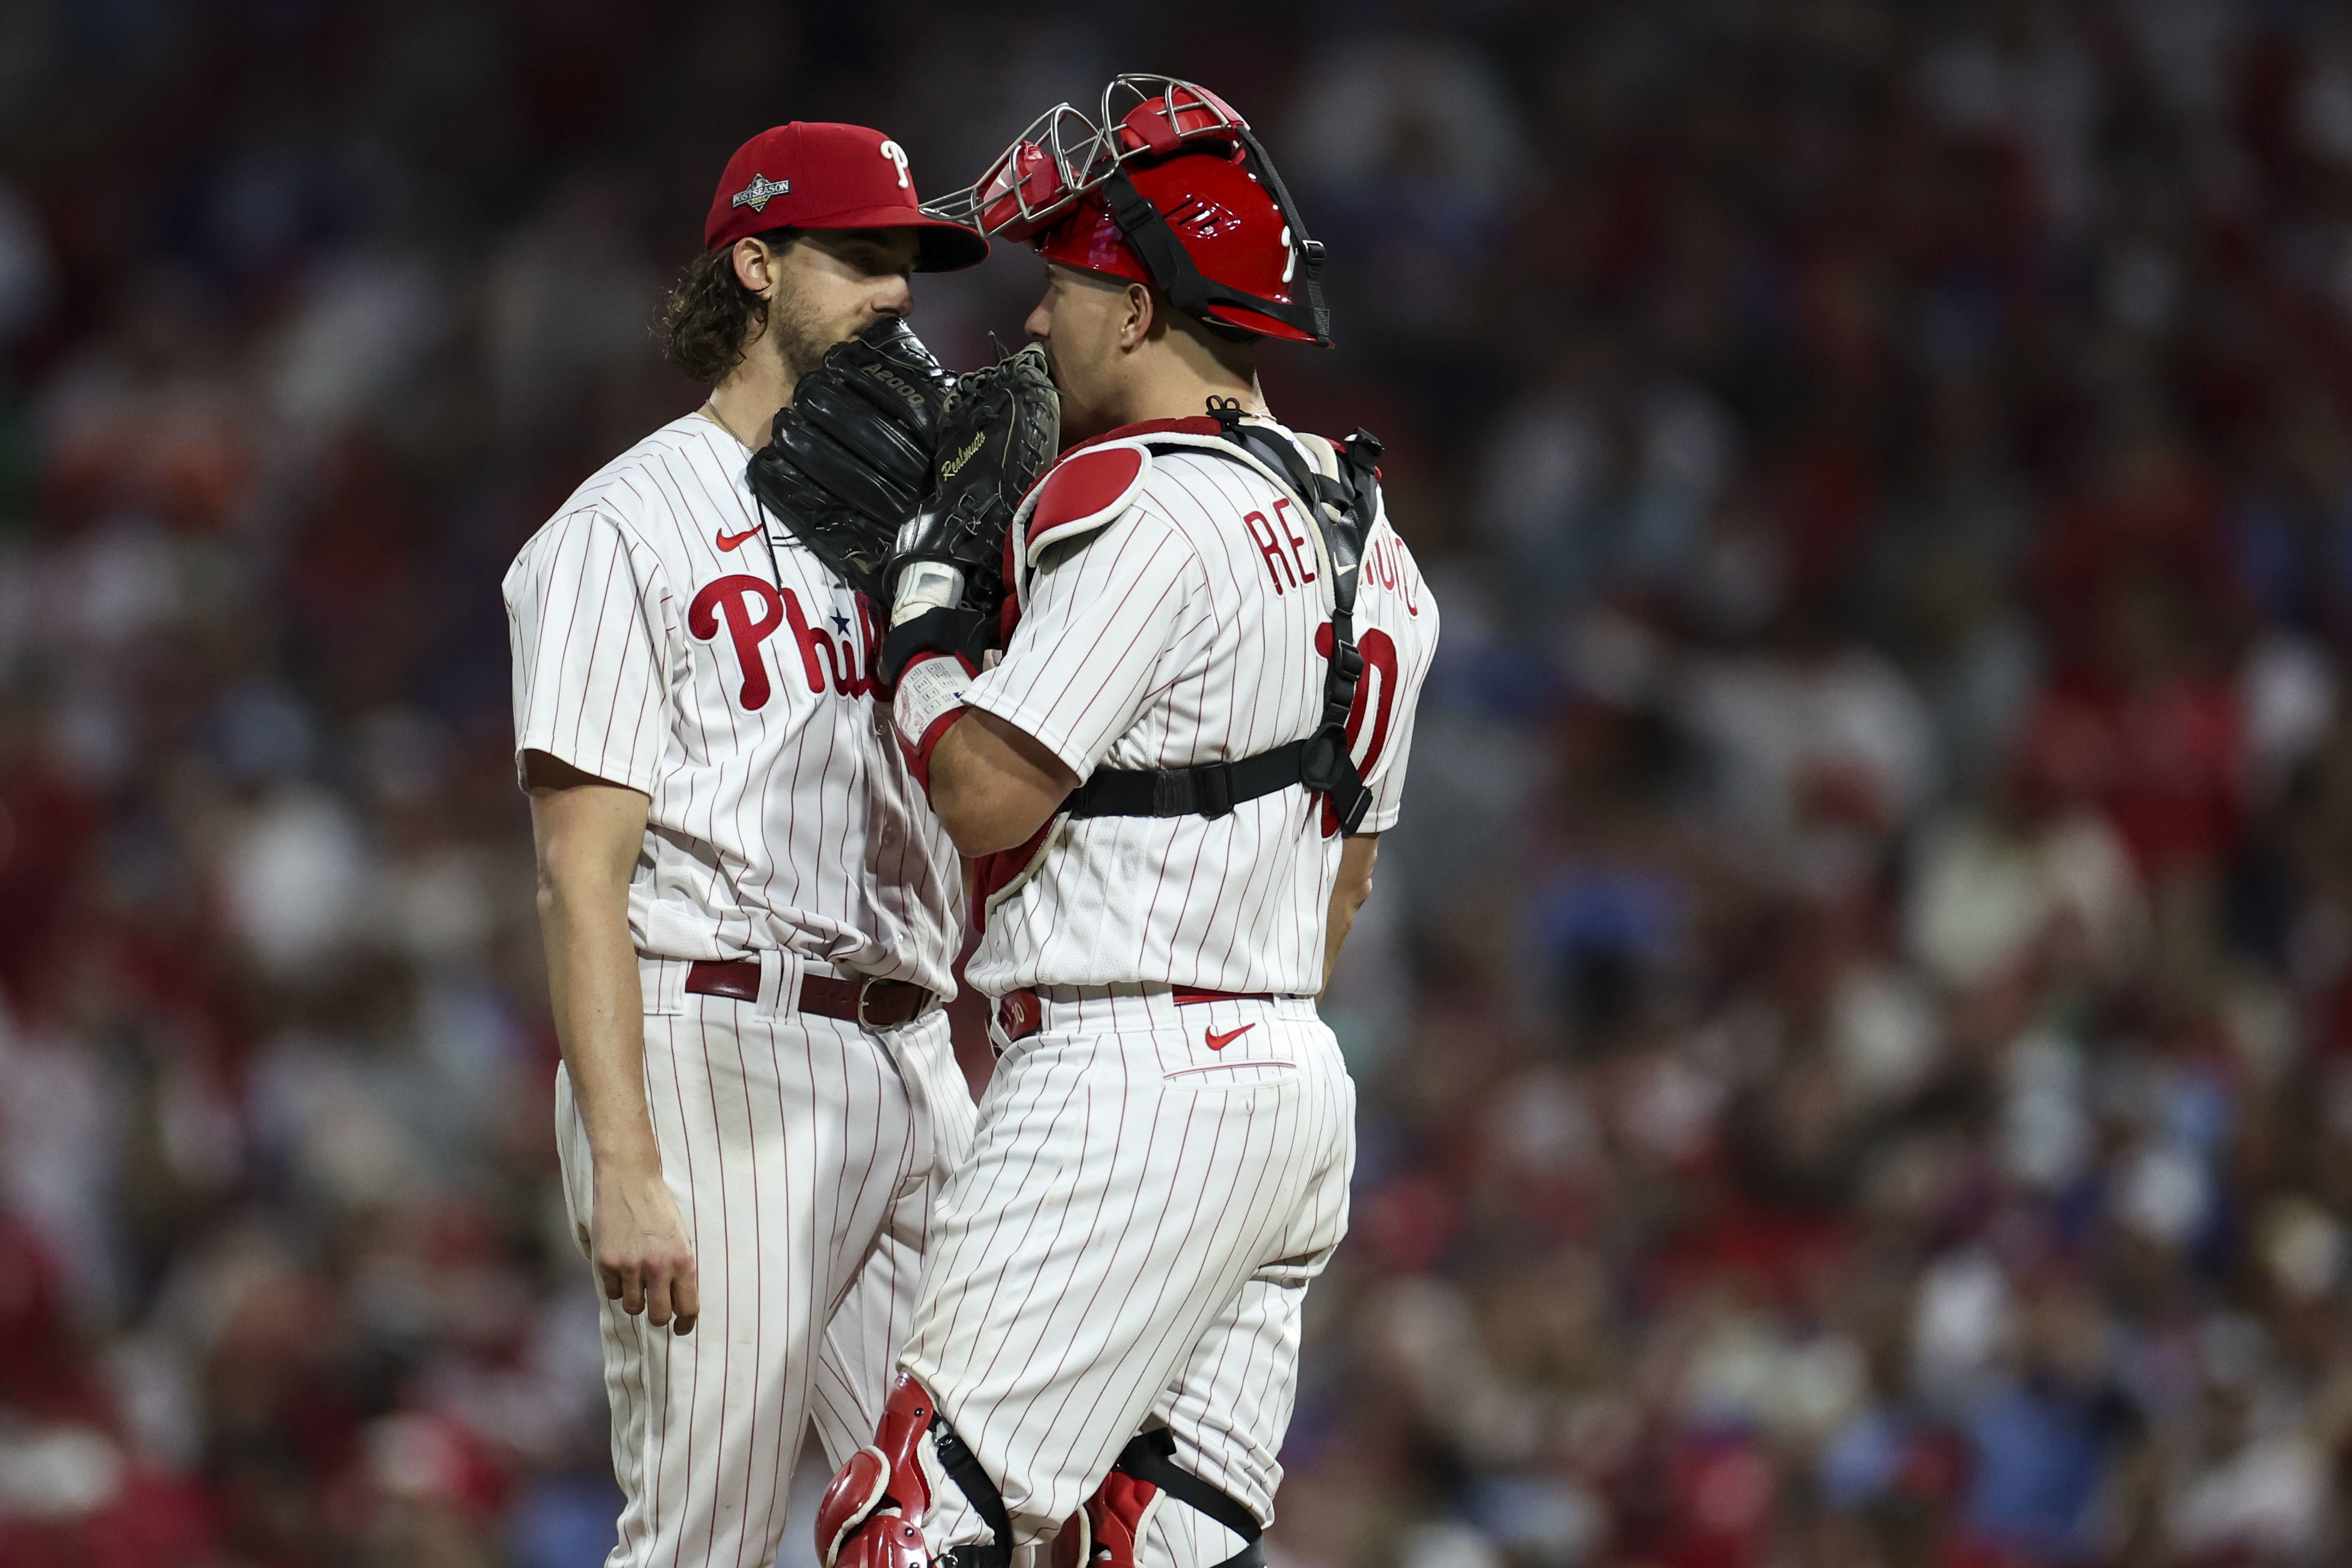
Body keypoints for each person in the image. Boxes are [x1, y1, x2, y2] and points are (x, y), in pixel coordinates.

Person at [814, 78, 1442, 1568]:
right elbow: (1342, 897)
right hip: (1290, 1082)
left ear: (1143, 310)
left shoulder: (1145, 495)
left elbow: (982, 796)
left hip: (1123, 1067)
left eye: (1066, 287)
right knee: (1162, 1542)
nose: (1035, 326)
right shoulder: (1385, 549)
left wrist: (923, 609)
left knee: (911, 1519)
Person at [502, 121, 985, 1568]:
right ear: (757, 265)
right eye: (858, 257)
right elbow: (578, 874)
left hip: (911, 1053)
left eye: (906, 261)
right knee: (706, 1536)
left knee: (976, 1514)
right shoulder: (626, 524)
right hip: (722, 1047)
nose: (896, 292)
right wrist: (627, 1158)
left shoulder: (918, 518)